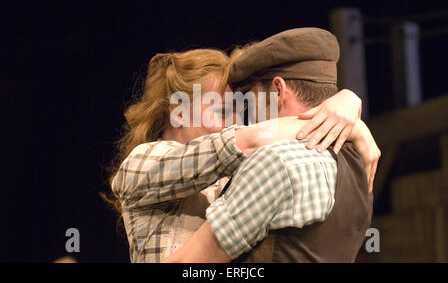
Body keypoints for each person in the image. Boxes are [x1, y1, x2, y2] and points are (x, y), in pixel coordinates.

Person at [109, 41, 379, 262]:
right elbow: (245, 141)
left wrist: (348, 116)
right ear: (179, 112)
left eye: (240, 111)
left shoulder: (235, 173)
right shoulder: (141, 164)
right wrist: (344, 116)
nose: (234, 123)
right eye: (222, 111)